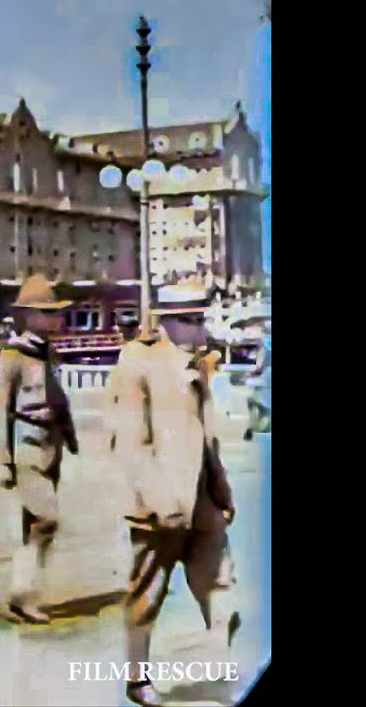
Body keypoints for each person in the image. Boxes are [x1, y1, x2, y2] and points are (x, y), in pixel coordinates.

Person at [108, 291, 241, 707]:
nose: (198, 329)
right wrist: (155, 498)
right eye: (188, 320)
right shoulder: (137, 363)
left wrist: (221, 490)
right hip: (158, 503)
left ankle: (222, 664)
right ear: (164, 322)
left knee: (220, 580)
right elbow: (129, 442)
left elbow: (207, 436)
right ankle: (136, 678)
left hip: (200, 496)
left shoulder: (195, 367)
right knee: (148, 593)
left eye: (200, 319)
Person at [0, 274, 78, 624]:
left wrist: (70, 436)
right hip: (26, 443)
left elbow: (58, 397)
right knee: (47, 519)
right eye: (46, 313)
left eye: (54, 313)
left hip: (51, 445)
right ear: (27, 315)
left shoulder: (49, 352)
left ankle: (24, 594)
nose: (54, 319)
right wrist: (3, 461)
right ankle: (22, 593)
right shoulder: (12, 356)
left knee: (34, 526)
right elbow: (0, 409)